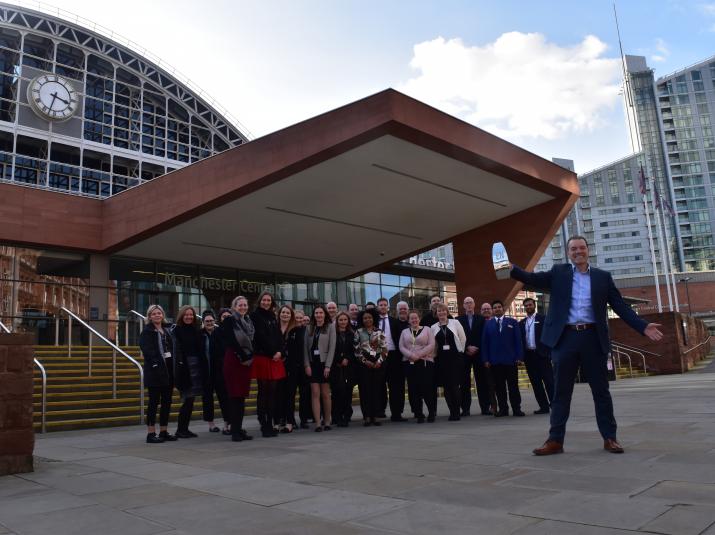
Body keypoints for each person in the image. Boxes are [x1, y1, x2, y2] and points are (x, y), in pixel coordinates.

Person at [510, 235, 663, 455]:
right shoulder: (558, 273)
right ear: (568, 252)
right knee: (561, 392)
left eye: (581, 248)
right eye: (573, 249)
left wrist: (643, 326)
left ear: (588, 250)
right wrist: (511, 267)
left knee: (601, 391)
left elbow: (620, 306)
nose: (578, 252)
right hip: (566, 339)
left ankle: (610, 438)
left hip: (593, 338)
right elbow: (530, 278)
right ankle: (555, 440)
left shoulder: (602, 277)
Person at [139, 304, 177, 443]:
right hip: (155, 373)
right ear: (149, 316)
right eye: (154, 314)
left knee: (167, 403)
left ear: (163, 315)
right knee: (154, 403)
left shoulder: (167, 331)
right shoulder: (147, 332)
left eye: (159, 313)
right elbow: (147, 351)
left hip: (168, 373)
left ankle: (163, 431)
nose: (157, 315)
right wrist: (156, 365)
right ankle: (150, 433)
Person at [250, 291, 286, 438]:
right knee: (263, 391)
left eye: (268, 300)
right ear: (260, 301)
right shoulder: (255, 316)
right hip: (263, 357)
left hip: (274, 358)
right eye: (264, 300)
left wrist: (280, 352)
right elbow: (259, 337)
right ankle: (264, 423)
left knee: (273, 391)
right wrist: (273, 352)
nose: (266, 302)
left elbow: (279, 336)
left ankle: (270, 421)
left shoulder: (272, 316)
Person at [481, 300, 524, 418]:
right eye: (495, 307)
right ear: (492, 310)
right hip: (495, 362)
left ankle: (517, 409)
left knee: (513, 386)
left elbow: (518, 341)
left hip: (511, 360)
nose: (497, 309)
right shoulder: (488, 324)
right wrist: (485, 359)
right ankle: (503, 409)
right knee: (499, 387)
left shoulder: (512, 322)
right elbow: (485, 343)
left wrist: (519, 357)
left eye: (499, 307)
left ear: (503, 308)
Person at [221, 296, 254, 442]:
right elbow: (231, 340)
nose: (242, 307)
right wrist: (243, 356)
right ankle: (234, 431)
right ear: (234, 307)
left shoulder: (248, 321)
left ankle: (239, 428)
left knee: (241, 397)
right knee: (234, 397)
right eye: (239, 305)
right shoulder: (229, 320)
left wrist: (249, 357)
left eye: (245, 305)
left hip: (246, 361)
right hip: (234, 360)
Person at [431, 303, 467, 421]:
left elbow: (463, 338)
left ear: (447, 312)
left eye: (443, 310)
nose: (441, 313)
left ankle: (457, 411)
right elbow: (433, 344)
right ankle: (451, 411)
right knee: (446, 387)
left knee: (455, 385)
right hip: (441, 360)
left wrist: (459, 351)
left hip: (455, 359)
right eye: (439, 311)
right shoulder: (433, 327)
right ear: (436, 314)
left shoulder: (455, 323)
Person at [173, 305, 204, 438]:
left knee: (191, 400)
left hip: (196, 366)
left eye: (191, 314)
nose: (189, 317)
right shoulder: (176, 330)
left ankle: (184, 428)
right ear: (181, 316)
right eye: (186, 314)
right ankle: (180, 429)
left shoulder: (196, 330)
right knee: (187, 399)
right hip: (184, 368)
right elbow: (176, 351)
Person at [399, 310, 436, 423]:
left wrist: (419, 355)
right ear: (408, 320)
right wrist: (411, 355)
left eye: (416, 318)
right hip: (410, 363)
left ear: (419, 318)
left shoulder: (427, 329)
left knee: (427, 389)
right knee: (413, 390)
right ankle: (419, 414)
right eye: (412, 318)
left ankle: (431, 412)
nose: (414, 320)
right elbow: (401, 346)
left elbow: (431, 344)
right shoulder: (404, 332)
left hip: (425, 362)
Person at [519, 298, 553, 415]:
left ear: (534, 305)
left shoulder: (543, 319)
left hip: (542, 355)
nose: (528, 307)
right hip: (529, 357)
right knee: (536, 383)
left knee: (549, 381)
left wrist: (549, 352)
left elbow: (550, 336)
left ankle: (555, 405)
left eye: (530, 305)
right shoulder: (522, 323)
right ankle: (543, 407)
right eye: (526, 305)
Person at [304, 305, 335, 431]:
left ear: (324, 314)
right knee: (315, 393)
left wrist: (328, 366)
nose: (318, 315)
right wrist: (306, 365)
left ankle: (327, 421)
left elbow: (332, 347)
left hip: (324, 364)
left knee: (325, 394)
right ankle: (317, 423)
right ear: (314, 315)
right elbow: (305, 348)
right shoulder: (309, 328)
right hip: (313, 364)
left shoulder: (330, 327)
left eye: (321, 313)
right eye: (316, 313)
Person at [354, 309, 388, 426]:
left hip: (377, 364)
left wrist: (379, 361)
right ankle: (367, 416)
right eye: (365, 318)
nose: (367, 320)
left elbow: (384, 349)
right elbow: (357, 350)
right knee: (365, 391)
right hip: (364, 366)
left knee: (376, 390)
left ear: (373, 318)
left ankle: (376, 416)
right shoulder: (358, 332)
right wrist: (365, 361)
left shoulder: (380, 332)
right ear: (361, 320)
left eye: (369, 317)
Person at [377, 297, 408, 422]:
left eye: (385, 305)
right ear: (378, 307)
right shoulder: (373, 322)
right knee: (379, 385)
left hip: (394, 356)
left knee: (396, 386)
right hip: (378, 356)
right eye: (381, 305)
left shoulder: (395, 321)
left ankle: (397, 414)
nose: (383, 307)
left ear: (388, 307)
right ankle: (379, 411)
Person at [200, 310, 230, 434]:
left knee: (224, 398)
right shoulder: (199, 335)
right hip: (206, 371)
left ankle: (226, 424)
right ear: (203, 322)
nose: (209, 323)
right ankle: (211, 424)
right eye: (207, 321)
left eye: (211, 320)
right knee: (207, 399)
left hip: (219, 371)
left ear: (215, 321)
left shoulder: (220, 333)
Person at [457, 297, 488, 416]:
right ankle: (465, 409)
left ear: (474, 304)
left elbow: (484, 336)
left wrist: (477, 347)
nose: (469, 305)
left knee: (482, 382)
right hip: (465, 355)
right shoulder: (458, 320)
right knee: (464, 383)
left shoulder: (481, 319)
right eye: (466, 303)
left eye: (470, 302)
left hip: (479, 354)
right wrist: (467, 348)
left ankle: (485, 408)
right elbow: (457, 338)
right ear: (463, 305)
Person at [331, 311, 356, 427]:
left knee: (347, 392)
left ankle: (346, 415)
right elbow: (330, 349)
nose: (343, 322)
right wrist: (339, 360)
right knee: (337, 392)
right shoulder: (332, 333)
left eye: (345, 320)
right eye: (340, 320)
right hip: (336, 367)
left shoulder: (352, 333)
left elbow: (354, 350)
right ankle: (336, 416)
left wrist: (347, 358)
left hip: (348, 367)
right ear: (337, 321)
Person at [277, 305, 299, 432]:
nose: (285, 314)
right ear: (279, 314)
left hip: (291, 366)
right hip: (277, 365)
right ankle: (280, 420)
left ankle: (290, 422)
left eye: (288, 313)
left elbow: (297, 349)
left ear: (291, 316)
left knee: (290, 395)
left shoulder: (296, 330)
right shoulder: (274, 328)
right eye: (283, 312)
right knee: (279, 394)